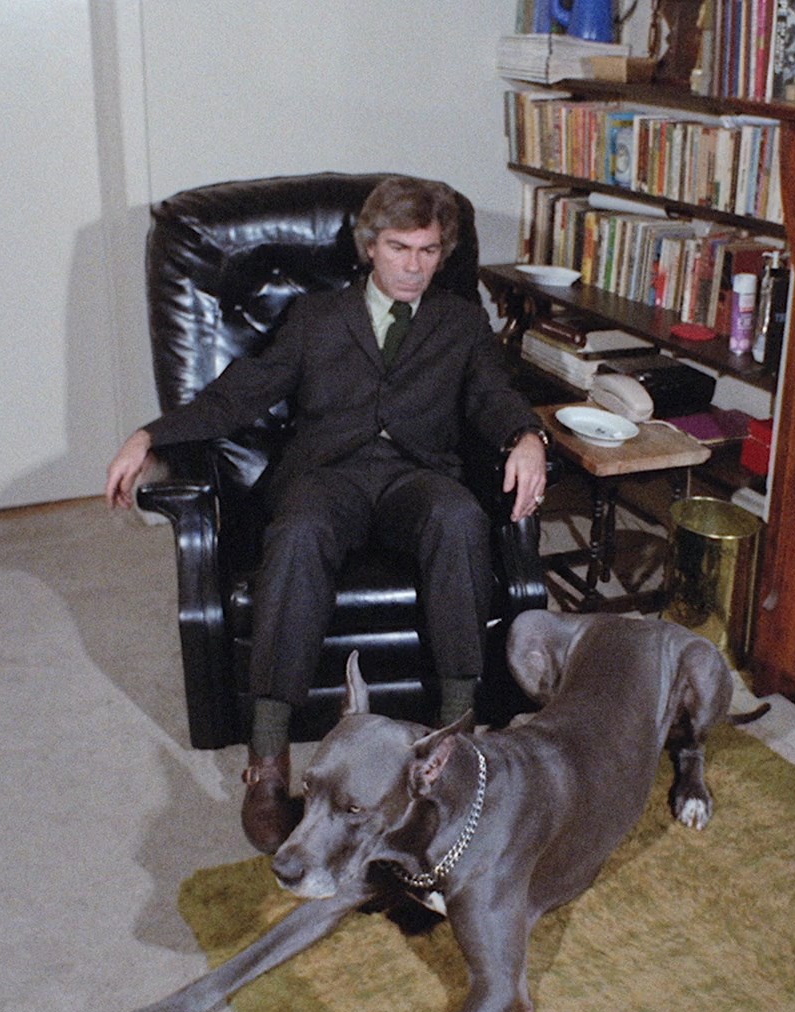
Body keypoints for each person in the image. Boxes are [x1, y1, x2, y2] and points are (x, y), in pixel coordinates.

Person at [104, 175, 550, 853]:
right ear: (370, 246)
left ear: (443, 253)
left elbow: (494, 394)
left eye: (428, 250)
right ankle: (267, 761)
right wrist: (150, 436)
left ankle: (455, 739)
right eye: (399, 247)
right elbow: (240, 394)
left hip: (416, 479)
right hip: (327, 477)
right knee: (298, 532)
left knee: (459, 518)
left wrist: (527, 437)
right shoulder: (317, 317)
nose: (413, 265)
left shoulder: (460, 321)